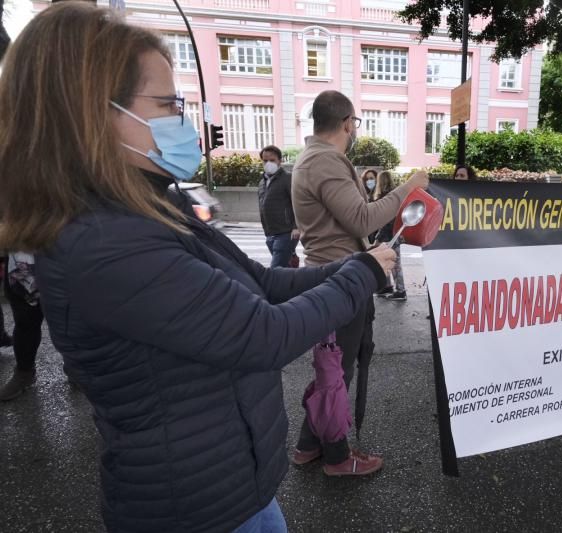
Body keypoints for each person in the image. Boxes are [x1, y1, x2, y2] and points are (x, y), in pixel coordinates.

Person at [0, 4, 396, 531]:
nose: (182, 120)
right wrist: (362, 273)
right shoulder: (102, 243)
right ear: (91, 114)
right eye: (166, 104)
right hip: (193, 510)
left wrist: (358, 267)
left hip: (237, 488)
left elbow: (262, 283)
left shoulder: (152, 207)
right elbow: (264, 335)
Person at [292, 89, 429, 476]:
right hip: (339, 279)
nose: (355, 131)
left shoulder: (314, 158)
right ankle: (336, 456)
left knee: (333, 366)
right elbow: (362, 220)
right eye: (355, 124)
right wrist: (410, 187)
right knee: (338, 370)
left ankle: (308, 444)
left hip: (333, 274)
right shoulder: (326, 161)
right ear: (348, 123)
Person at [0, 253, 45, 401]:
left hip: (64, 250)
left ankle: (77, 367)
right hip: (19, 258)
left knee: (70, 319)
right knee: (25, 322)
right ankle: (24, 372)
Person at [258, 145, 300, 268]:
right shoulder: (262, 182)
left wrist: (296, 226)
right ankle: (295, 279)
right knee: (286, 268)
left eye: (272, 160)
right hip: (270, 233)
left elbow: (297, 202)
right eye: (265, 161)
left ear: (279, 161)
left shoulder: (287, 178)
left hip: (286, 233)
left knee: (276, 270)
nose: (268, 163)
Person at [374, 171, 407, 301]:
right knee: (393, 262)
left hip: (389, 235)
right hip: (396, 233)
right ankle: (393, 287)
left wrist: (378, 237)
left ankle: (399, 290)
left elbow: (385, 221)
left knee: (390, 262)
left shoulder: (383, 197)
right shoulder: (395, 196)